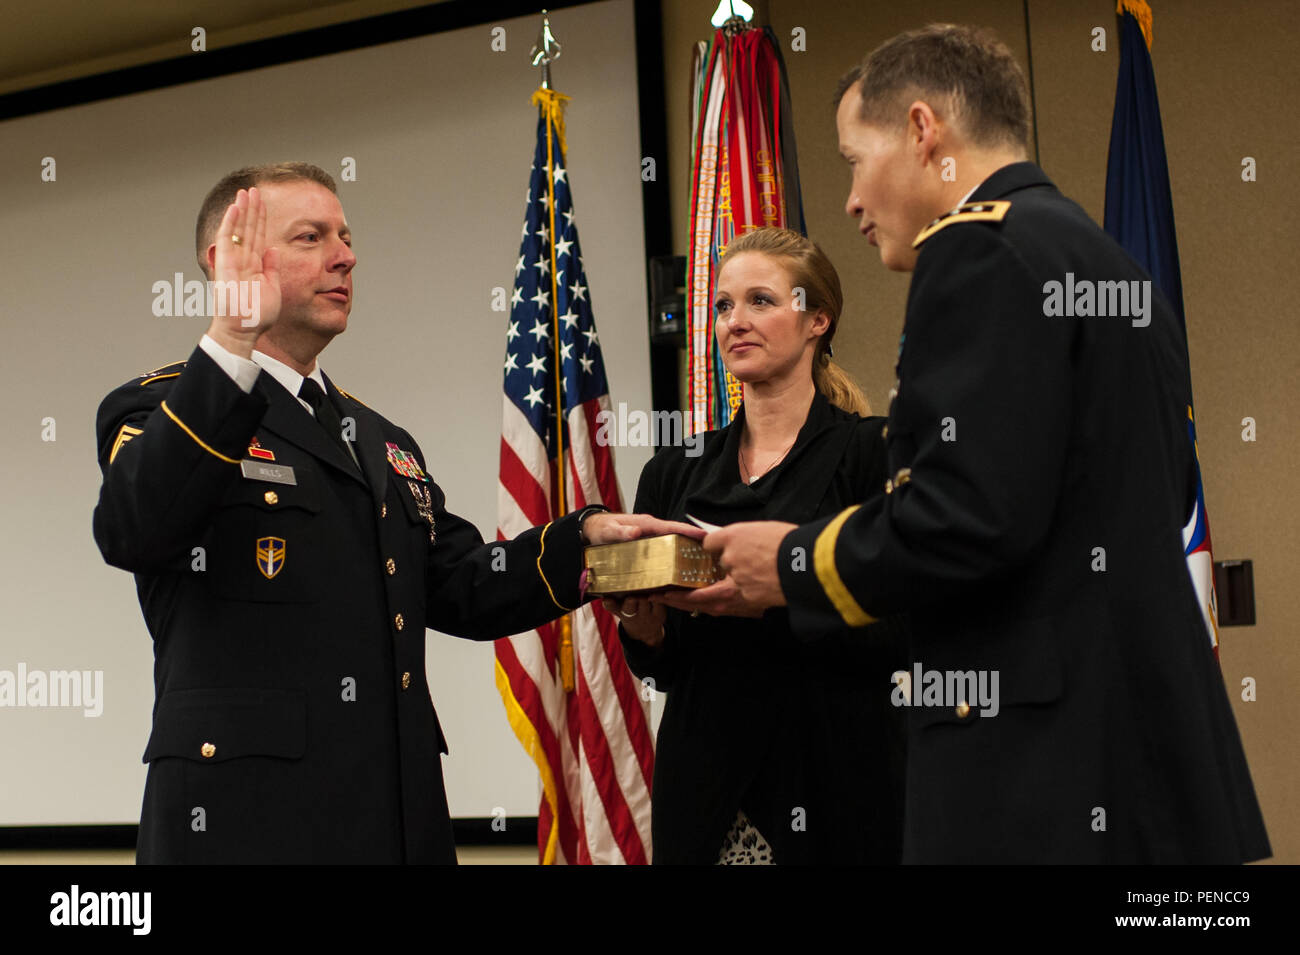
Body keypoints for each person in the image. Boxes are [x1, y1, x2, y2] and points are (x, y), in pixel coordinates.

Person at [697, 25, 1270, 863]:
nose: (851, 200)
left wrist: (791, 563)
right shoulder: (1103, 261)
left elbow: (968, 515)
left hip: (1037, 779)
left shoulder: (977, 251)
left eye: (855, 159)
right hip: (1150, 766)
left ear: (925, 132)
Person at [93, 163, 690, 864]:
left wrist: (583, 540)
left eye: (345, 238)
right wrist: (229, 340)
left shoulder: (379, 440)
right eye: (312, 237)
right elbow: (137, 525)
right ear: (226, 261)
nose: (346, 256)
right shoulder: (158, 407)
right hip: (244, 825)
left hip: (394, 819)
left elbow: (464, 580)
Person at [605, 227, 906, 865]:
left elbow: (905, 630)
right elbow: (661, 668)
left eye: (761, 301)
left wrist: (778, 597)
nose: (735, 321)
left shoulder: (870, 454)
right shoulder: (674, 471)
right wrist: (642, 622)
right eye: (722, 306)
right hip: (707, 788)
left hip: (837, 781)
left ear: (817, 319)